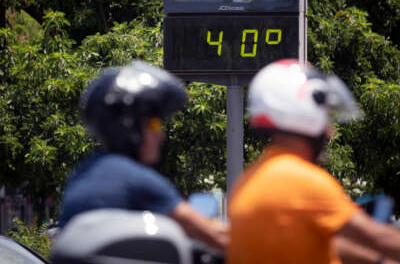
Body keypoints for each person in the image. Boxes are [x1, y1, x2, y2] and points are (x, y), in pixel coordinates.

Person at [227, 58, 400, 264]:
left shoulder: (250, 178)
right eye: (326, 117)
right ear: (304, 112)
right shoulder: (303, 182)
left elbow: (323, 243)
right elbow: (377, 238)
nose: (331, 132)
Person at [58, 60, 228, 251]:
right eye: (154, 125)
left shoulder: (84, 172)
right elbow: (215, 235)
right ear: (128, 126)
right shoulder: (135, 180)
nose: (161, 135)